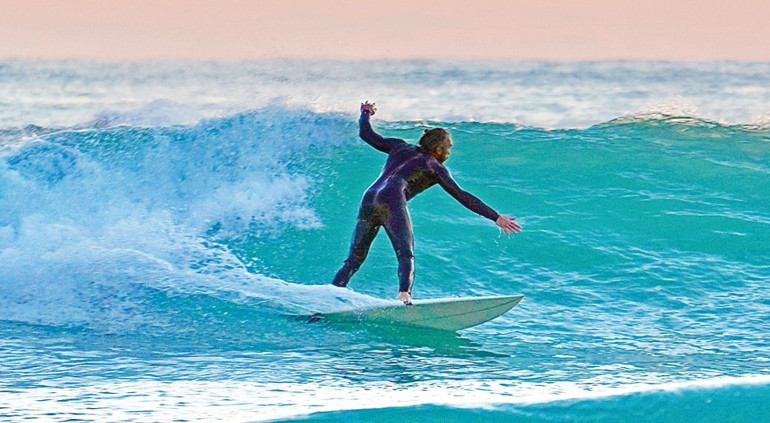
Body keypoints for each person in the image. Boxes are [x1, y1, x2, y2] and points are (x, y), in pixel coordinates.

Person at [332, 102, 521, 304]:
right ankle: (404, 295)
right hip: (392, 200)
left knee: (353, 260)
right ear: (438, 149)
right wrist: (496, 217)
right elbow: (462, 195)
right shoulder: (434, 167)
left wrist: (365, 113)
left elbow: (366, 135)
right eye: (448, 147)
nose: (449, 152)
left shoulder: (399, 146)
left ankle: (329, 296)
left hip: (369, 198)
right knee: (406, 254)